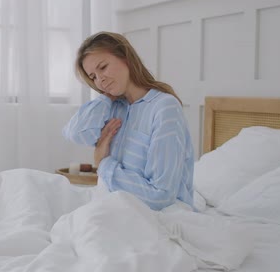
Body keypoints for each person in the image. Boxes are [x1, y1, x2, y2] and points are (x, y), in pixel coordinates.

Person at [62, 31, 194, 211]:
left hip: (155, 215)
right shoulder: (114, 107)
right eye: (93, 77)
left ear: (125, 57)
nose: (99, 79)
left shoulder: (164, 107)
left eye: (103, 67)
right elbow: (76, 134)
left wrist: (103, 163)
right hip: (113, 205)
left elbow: (161, 196)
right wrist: (105, 97)